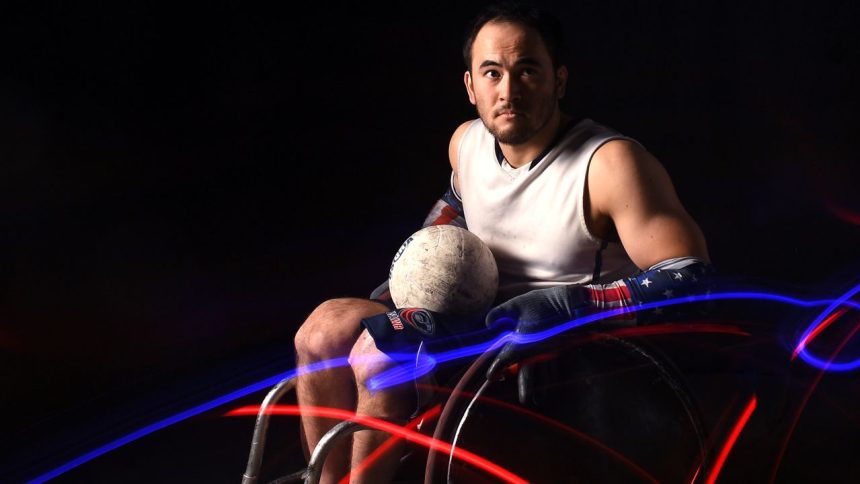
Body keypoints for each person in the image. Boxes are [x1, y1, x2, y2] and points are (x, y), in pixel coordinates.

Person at [293, 2, 711, 483]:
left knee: (380, 352)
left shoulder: (610, 164)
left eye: (527, 71)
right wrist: (401, 287)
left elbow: (690, 276)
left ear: (558, 80)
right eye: (492, 73)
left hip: (560, 349)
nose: (508, 91)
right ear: (471, 86)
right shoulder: (466, 143)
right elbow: (455, 210)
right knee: (322, 331)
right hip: (476, 321)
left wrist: (568, 305)